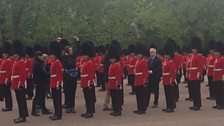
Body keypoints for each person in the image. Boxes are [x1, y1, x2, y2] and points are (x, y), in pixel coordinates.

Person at [11, 40, 28, 123]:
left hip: (19, 84)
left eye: (15, 54)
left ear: (19, 54)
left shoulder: (21, 62)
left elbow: (22, 74)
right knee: (20, 101)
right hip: (16, 83)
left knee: (20, 101)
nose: (14, 55)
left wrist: (21, 84)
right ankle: (22, 115)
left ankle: (22, 117)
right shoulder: (16, 61)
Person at [31, 51, 52, 116]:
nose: (42, 57)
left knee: (42, 96)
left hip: (41, 81)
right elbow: (43, 73)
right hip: (39, 82)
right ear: (38, 56)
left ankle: (43, 109)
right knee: (38, 96)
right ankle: (34, 111)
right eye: (41, 56)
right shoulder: (37, 64)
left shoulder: (39, 63)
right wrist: (50, 73)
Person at [80, 41, 95, 118]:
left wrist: (90, 83)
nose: (83, 57)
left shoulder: (89, 63)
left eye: (85, 55)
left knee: (89, 98)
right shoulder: (85, 62)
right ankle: (88, 111)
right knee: (87, 98)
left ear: (88, 55)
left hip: (88, 83)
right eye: (83, 55)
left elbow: (91, 75)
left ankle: (90, 112)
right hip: (84, 82)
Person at [49, 41, 63, 120]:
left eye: (52, 55)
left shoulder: (58, 63)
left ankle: (58, 114)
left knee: (57, 100)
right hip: (53, 82)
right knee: (55, 99)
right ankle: (56, 113)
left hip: (56, 83)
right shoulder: (53, 62)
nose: (51, 56)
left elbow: (59, 75)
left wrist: (58, 84)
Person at [188, 37, 204, 111]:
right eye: (192, 49)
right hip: (192, 75)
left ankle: (198, 105)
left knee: (197, 91)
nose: (193, 50)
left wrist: (199, 74)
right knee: (194, 91)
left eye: (194, 49)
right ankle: (195, 104)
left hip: (196, 75)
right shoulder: (192, 56)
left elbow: (200, 66)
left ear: (197, 49)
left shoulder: (199, 56)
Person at [61, 45, 78, 113]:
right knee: (67, 93)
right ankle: (68, 106)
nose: (72, 51)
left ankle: (72, 106)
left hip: (73, 77)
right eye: (70, 50)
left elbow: (77, 50)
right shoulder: (64, 57)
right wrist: (59, 43)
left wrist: (77, 42)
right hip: (67, 77)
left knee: (73, 92)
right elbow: (58, 53)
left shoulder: (73, 56)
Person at [107, 44, 122, 116]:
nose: (110, 60)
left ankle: (118, 110)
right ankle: (115, 110)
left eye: (112, 58)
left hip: (115, 84)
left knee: (116, 98)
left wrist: (118, 84)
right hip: (111, 83)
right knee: (113, 98)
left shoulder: (117, 65)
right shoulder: (112, 65)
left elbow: (118, 76)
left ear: (115, 58)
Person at [161, 40, 177, 113]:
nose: (166, 56)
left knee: (170, 94)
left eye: (167, 55)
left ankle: (171, 107)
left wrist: (172, 80)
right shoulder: (165, 61)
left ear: (170, 55)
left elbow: (172, 72)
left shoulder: (171, 62)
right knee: (167, 94)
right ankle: (168, 106)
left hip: (169, 80)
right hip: (165, 79)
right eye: (165, 55)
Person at [133, 43, 148, 115]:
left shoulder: (143, 61)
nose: (138, 55)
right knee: (138, 95)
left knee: (141, 96)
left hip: (141, 80)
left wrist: (145, 81)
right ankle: (139, 108)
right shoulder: (137, 61)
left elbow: (145, 72)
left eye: (140, 54)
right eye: (137, 54)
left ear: (142, 54)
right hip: (137, 80)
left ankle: (142, 109)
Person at [0, 42, 13, 112]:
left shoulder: (8, 61)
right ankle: (7, 105)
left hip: (5, 79)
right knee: (6, 93)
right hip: (3, 78)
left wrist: (7, 79)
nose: (3, 54)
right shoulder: (5, 60)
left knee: (7, 93)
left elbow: (8, 71)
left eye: (4, 53)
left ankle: (9, 106)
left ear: (7, 54)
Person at [212, 41, 224, 109]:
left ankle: (222, 104)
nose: (216, 53)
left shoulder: (222, 59)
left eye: (217, 52)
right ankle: (218, 103)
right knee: (216, 91)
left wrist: (223, 77)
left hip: (220, 77)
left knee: (221, 91)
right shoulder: (216, 59)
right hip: (216, 77)